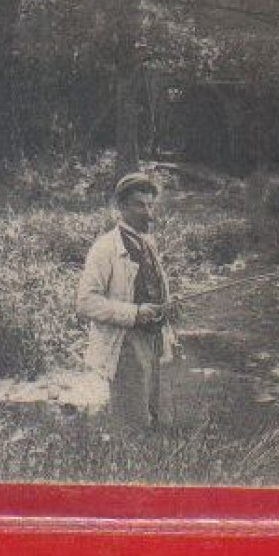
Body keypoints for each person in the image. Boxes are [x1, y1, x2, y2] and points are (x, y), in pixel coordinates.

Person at [76, 171, 176, 429]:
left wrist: (168, 305)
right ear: (121, 207)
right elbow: (85, 302)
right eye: (139, 205)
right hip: (125, 347)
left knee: (158, 419)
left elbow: (153, 288)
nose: (148, 212)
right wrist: (134, 313)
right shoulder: (105, 247)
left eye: (151, 205)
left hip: (155, 342)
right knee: (133, 426)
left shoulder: (149, 244)